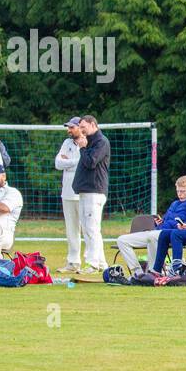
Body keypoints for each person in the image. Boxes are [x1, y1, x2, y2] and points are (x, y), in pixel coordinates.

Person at [116, 175, 186, 275]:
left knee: (151, 236)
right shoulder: (174, 204)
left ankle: (153, 272)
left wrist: (183, 226)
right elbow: (167, 220)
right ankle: (138, 273)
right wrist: (159, 222)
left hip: (170, 235)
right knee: (122, 240)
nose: (180, 194)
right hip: (156, 232)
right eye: (178, 191)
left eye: (182, 191)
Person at [73, 115, 111, 274]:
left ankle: (92, 263)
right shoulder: (91, 142)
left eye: (83, 127)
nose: (81, 131)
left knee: (92, 228)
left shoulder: (101, 142)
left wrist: (82, 147)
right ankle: (101, 263)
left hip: (94, 191)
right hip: (85, 190)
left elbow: (91, 162)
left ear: (92, 124)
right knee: (89, 228)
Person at [54, 117, 83, 273]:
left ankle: (96, 262)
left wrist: (69, 161)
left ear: (80, 127)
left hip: (83, 193)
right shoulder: (67, 143)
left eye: (71, 127)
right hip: (67, 193)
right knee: (71, 229)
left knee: (89, 229)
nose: (69, 130)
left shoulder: (88, 142)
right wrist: (74, 162)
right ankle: (73, 262)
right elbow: (58, 163)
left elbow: (83, 162)